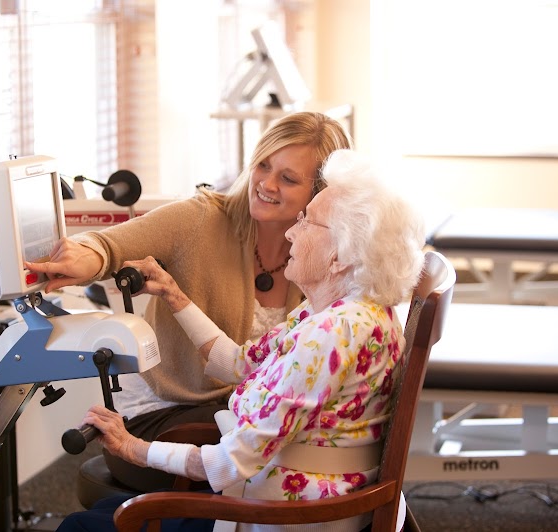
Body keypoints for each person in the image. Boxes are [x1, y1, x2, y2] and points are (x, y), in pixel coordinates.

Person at [56, 149, 426, 532]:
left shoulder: (328, 335)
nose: (291, 232)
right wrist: (175, 296)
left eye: (308, 223)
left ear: (340, 256)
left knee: (82, 527)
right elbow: (238, 363)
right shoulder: (347, 312)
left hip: (274, 514)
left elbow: (226, 463)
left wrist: (134, 447)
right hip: (291, 496)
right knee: (103, 516)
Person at [25, 112, 351, 491]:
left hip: (238, 411)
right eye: (263, 164)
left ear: (320, 194)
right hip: (160, 416)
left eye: (288, 178)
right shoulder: (201, 219)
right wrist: (82, 258)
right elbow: (109, 246)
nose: (266, 183)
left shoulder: (320, 257)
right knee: (272, 447)